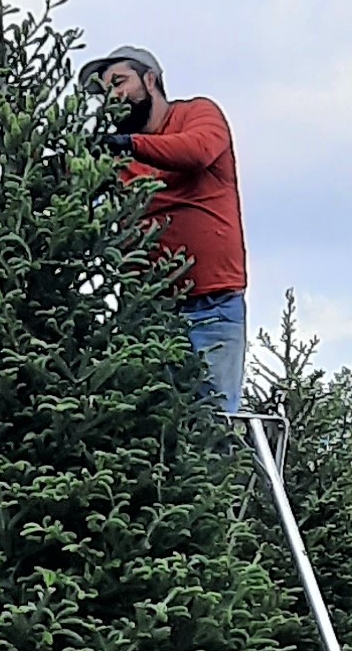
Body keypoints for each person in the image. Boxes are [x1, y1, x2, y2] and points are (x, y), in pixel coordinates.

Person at [79, 42, 248, 413]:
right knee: (148, 423)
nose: (113, 96)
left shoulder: (197, 115)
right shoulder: (115, 157)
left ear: (150, 79)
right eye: (105, 91)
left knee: (212, 423)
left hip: (212, 306)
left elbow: (197, 150)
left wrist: (128, 145)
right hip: (147, 309)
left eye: (119, 81)